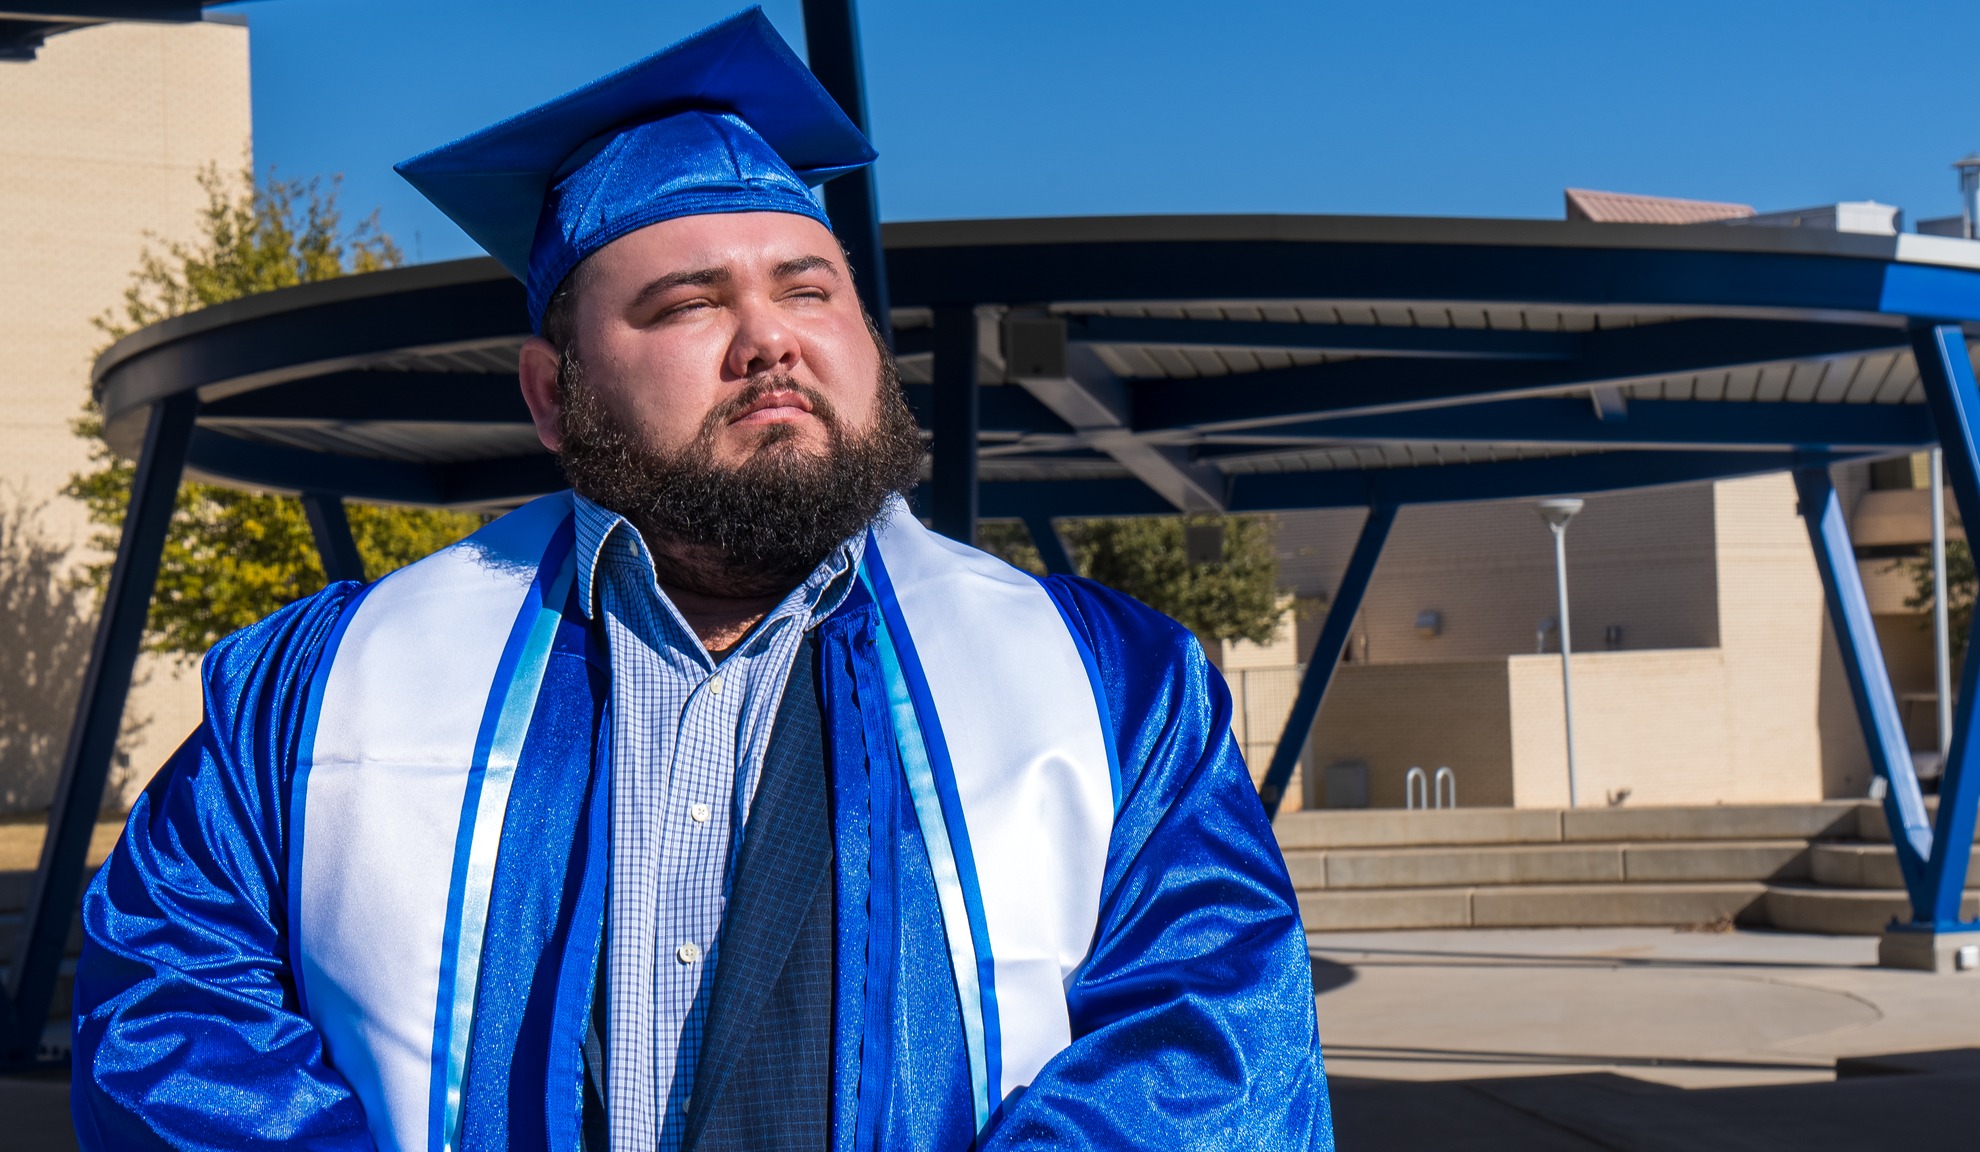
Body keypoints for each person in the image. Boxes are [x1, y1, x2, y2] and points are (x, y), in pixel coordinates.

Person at [69, 10, 1332, 1150]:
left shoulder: (1117, 688)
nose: (769, 337)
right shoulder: (311, 689)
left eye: (810, 288)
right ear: (553, 394)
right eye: (685, 304)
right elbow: (171, 1009)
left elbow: (1204, 1049)